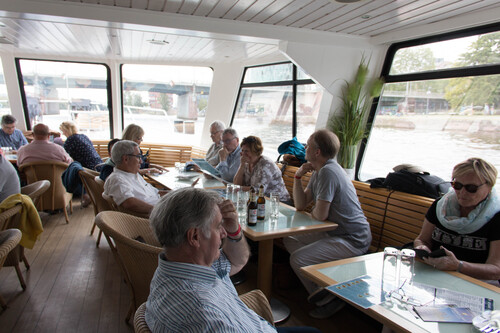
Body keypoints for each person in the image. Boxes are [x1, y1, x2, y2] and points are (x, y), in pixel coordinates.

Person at [145, 187, 320, 333]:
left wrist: (234, 228)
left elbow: (236, 261)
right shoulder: (205, 315)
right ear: (195, 236)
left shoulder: (180, 264)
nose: (224, 233)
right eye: (218, 226)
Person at [283, 129, 371, 319]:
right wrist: (298, 176)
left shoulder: (329, 172)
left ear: (317, 151)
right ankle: (326, 288)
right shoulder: (319, 171)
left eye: (308, 144)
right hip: (335, 233)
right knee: (289, 238)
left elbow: (320, 215)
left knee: (298, 259)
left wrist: (314, 212)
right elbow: (300, 204)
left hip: (352, 239)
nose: (304, 147)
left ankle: (328, 298)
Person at [414, 158, 500, 285]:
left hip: (476, 282)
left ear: (489, 186)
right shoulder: (440, 206)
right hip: (435, 274)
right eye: (457, 185)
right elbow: (422, 239)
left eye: (471, 188)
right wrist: (422, 248)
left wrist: (458, 266)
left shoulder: (496, 217)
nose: (462, 192)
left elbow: (496, 269)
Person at [103, 140, 166, 216]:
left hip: (160, 207)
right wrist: (159, 210)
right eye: (138, 157)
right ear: (125, 159)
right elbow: (129, 203)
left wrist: (174, 194)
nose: (141, 162)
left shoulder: (132, 174)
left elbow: (155, 193)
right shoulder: (117, 179)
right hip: (153, 218)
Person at [233, 135, 290, 202]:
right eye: (242, 150)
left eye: (246, 151)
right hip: (260, 199)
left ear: (255, 151)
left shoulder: (266, 164)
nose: (243, 154)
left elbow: (259, 190)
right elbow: (236, 184)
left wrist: (238, 189)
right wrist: (242, 165)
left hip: (279, 202)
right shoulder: (247, 163)